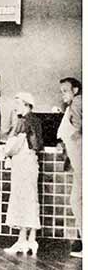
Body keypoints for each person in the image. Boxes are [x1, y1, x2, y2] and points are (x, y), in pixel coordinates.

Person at [0, 92, 43, 255]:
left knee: (21, 199)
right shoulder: (36, 120)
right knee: (31, 199)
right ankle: (31, 239)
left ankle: (22, 240)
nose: (15, 107)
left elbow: (14, 145)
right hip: (32, 163)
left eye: (18, 104)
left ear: (26, 104)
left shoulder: (23, 121)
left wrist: (4, 153)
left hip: (22, 164)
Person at [58, 77, 82, 257]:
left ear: (75, 90)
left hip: (82, 163)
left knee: (77, 201)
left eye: (65, 91)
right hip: (78, 163)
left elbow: (77, 132)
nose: (63, 94)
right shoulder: (73, 107)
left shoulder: (77, 105)